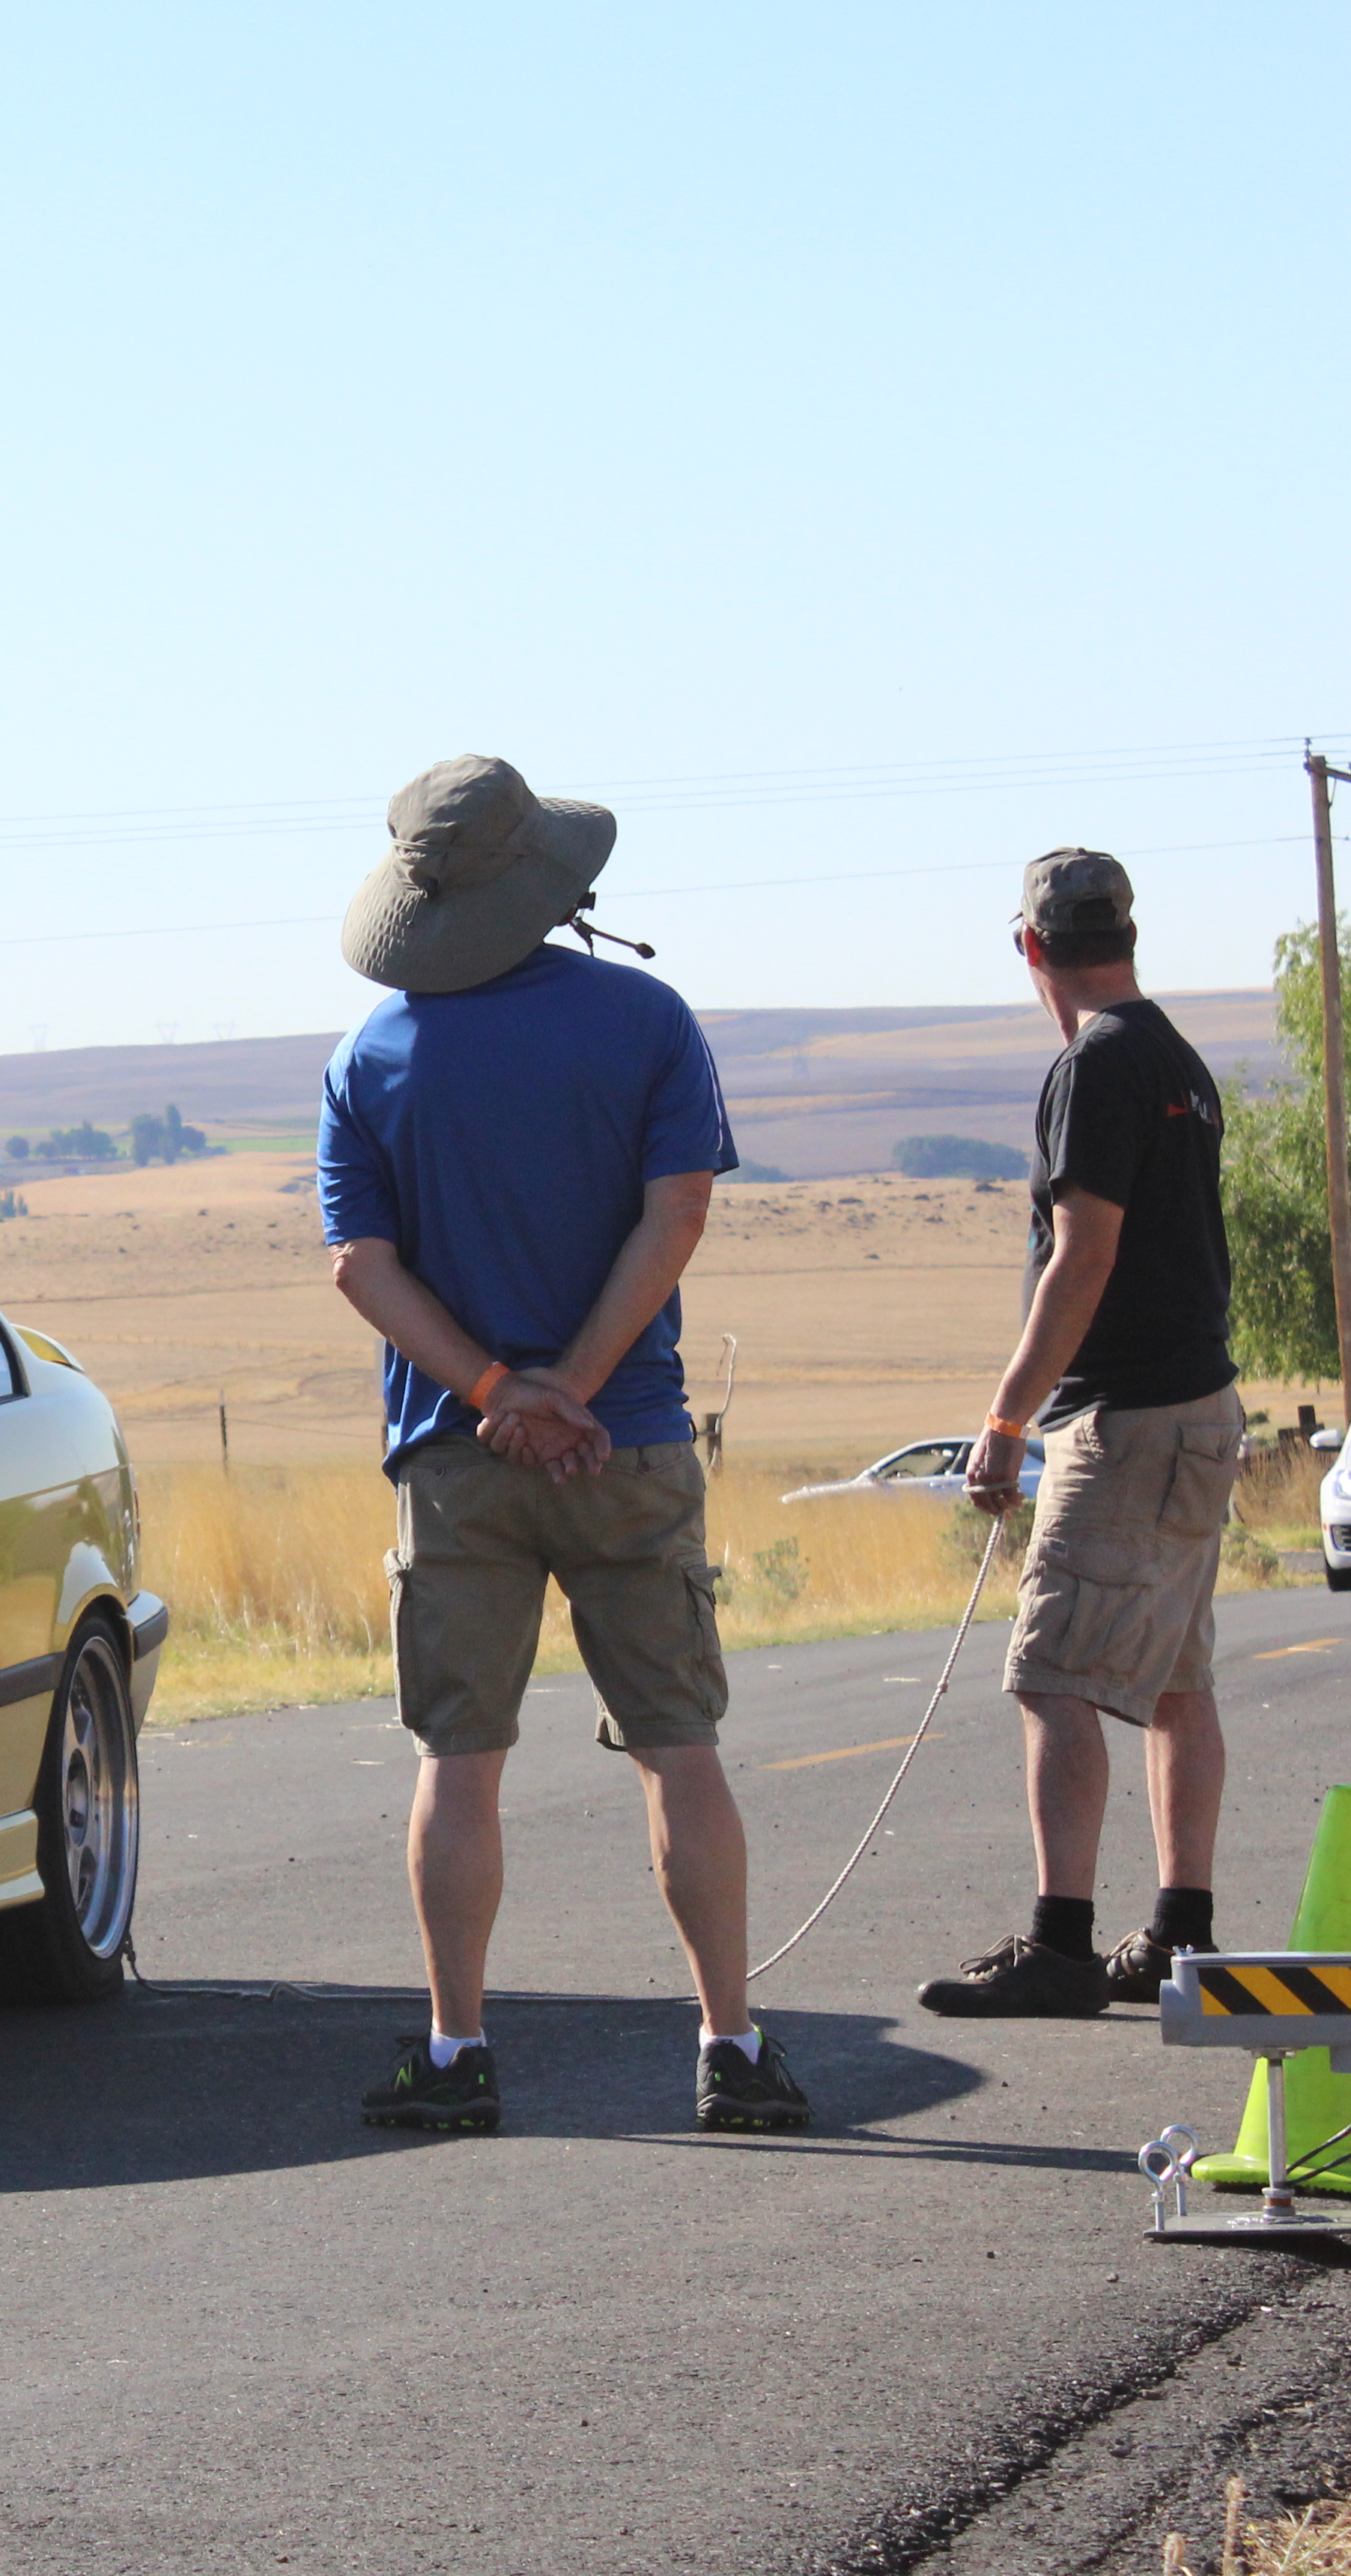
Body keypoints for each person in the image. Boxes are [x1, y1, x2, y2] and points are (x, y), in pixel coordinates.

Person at [318, 754, 807, 2135]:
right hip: (627, 1445)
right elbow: (680, 1214)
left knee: (457, 1762)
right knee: (678, 1744)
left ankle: (458, 2051)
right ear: (550, 884)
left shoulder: (372, 1058)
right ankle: (730, 2044)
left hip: (452, 1454)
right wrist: (576, 1388)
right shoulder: (645, 1020)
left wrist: (493, 1394)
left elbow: (360, 1264)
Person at [918, 848, 1242, 2019]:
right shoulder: (1177, 1057)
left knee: (1052, 1675)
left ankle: (1062, 1944)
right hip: (1200, 1407)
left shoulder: (1094, 1064)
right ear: (1129, 933)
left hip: (1129, 1419)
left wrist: (1006, 1416)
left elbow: (1083, 1253)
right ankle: (1179, 1933)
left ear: (1031, 947)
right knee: (1173, 1681)